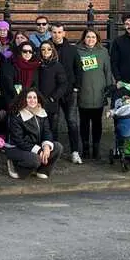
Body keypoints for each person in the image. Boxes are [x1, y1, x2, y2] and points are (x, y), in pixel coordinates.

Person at [6, 89, 62, 180]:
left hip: (34, 147)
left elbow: (47, 132)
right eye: (29, 97)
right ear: (24, 99)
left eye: (34, 97)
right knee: (35, 159)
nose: (32, 100)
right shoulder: (16, 116)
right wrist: (39, 150)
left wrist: (46, 146)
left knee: (57, 147)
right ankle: (16, 166)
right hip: (16, 148)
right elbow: (19, 140)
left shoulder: (42, 113)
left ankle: (42, 170)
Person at [77, 29, 114, 160]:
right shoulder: (77, 51)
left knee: (97, 122)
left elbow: (108, 70)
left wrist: (110, 87)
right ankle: (86, 148)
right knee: (84, 123)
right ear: (84, 38)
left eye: (93, 37)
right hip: (83, 92)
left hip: (99, 91)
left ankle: (96, 148)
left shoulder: (103, 52)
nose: (90, 39)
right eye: (88, 37)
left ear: (97, 39)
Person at [48, 23, 83, 162]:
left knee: (72, 121)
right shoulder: (46, 48)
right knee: (53, 123)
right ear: (51, 33)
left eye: (59, 32)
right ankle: (54, 152)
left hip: (69, 92)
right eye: (54, 32)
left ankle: (75, 151)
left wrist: (76, 88)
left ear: (64, 33)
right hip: (53, 93)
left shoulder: (72, 50)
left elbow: (78, 69)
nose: (57, 35)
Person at [36, 41, 70, 156]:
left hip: (51, 102)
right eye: (43, 49)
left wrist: (53, 97)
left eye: (49, 49)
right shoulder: (36, 65)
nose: (46, 52)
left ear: (53, 51)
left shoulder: (57, 65)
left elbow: (63, 84)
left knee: (51, 128)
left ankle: (53, 153)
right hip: (36, 103)